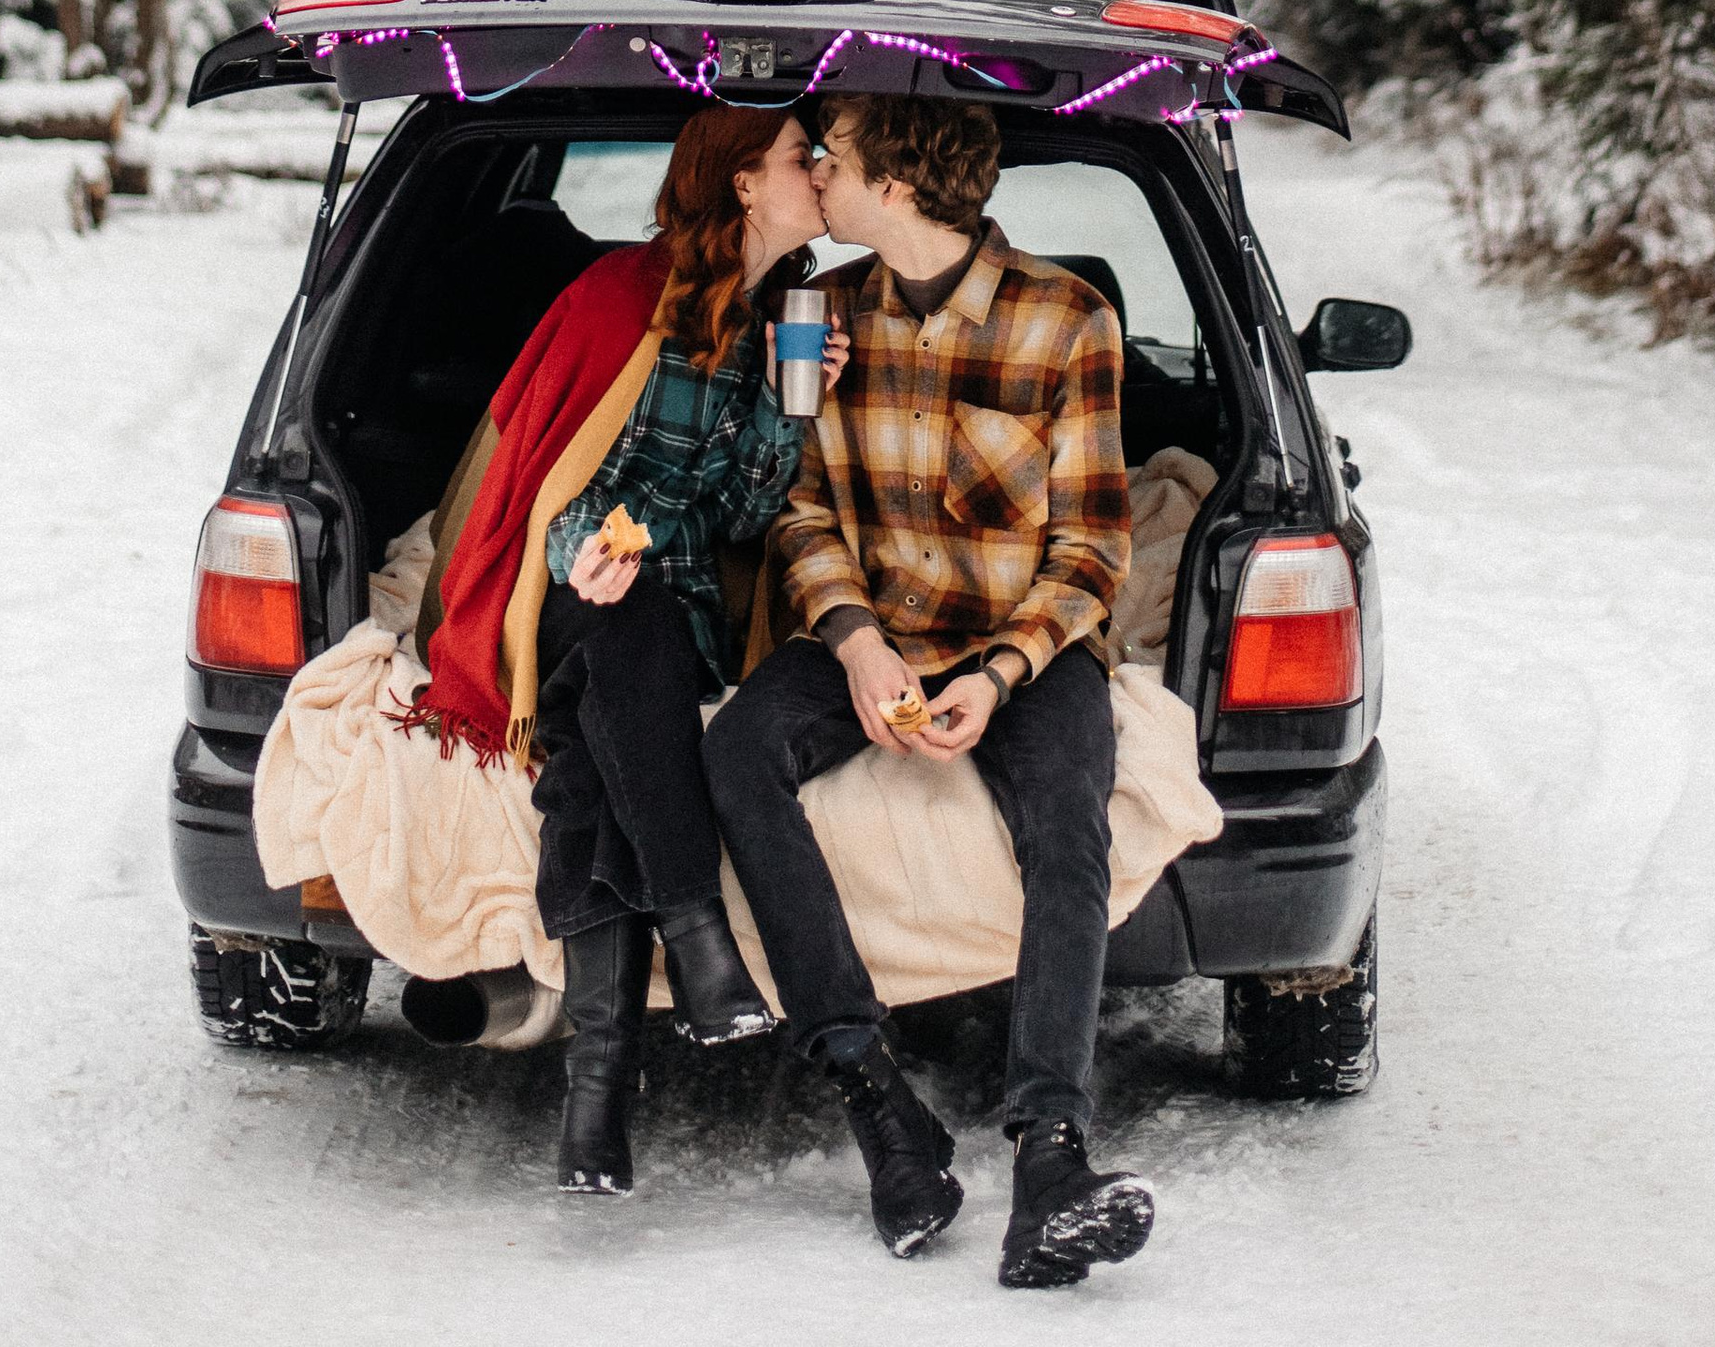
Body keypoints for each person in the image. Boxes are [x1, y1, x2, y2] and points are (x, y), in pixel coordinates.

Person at [703, 93, 1154, 1290]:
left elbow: (1095, 552)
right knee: (739, 749)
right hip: (871, 630)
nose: (814, 173)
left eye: (829, 158)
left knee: (1068, 817)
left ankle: (1051, 1157)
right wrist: (852, 645)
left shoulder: (1067, 321)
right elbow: (801, 514)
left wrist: (1001, 677)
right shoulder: (819, 314)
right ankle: (878, 1106)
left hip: (1021, 643)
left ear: (892, 186)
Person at [403, 103, 845, 1196]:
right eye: (804, 157)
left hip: (666, 618)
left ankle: (597, 1096)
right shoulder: (614, 301)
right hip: (561, 591)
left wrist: (799, 408)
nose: (823, 172)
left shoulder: (781, 317)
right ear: (744, 183)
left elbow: (746, 516)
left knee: (596, 764)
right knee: (620, 614)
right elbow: (541, 484)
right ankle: (696, 935)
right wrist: (580, 555)